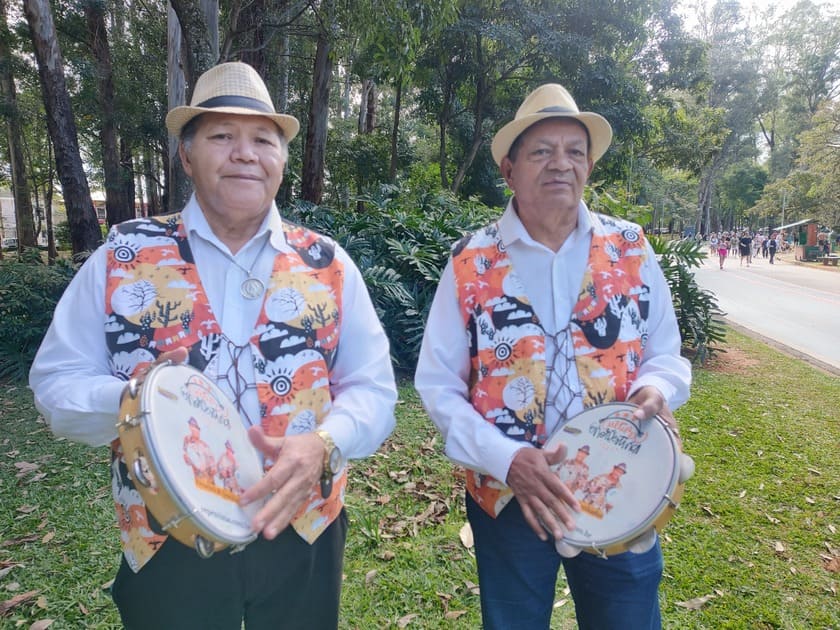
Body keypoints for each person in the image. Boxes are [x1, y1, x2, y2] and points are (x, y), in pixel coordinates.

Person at [29, 61, 397, 629]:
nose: (245, 153)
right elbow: (56, 385)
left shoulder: (327, 263)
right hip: (168, 535)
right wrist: (144, 404)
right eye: (223, 136)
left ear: (281, 158)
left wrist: (325, 443)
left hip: (302, 531)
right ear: (186, 154)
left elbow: (373, 389)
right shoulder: (124, 255)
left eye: (262, 139)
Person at [414, 83, 691, 629]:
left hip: (619, 483)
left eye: (575, 151)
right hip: (510, 497)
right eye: (542, 151)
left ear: (588, 167)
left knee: (628, 619)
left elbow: (666, 351)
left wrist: (657, 388)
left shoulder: (630, 247)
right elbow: (437, 384)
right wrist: (507, 460)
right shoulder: (470, 260)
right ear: (508, 169)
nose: (561, 164)